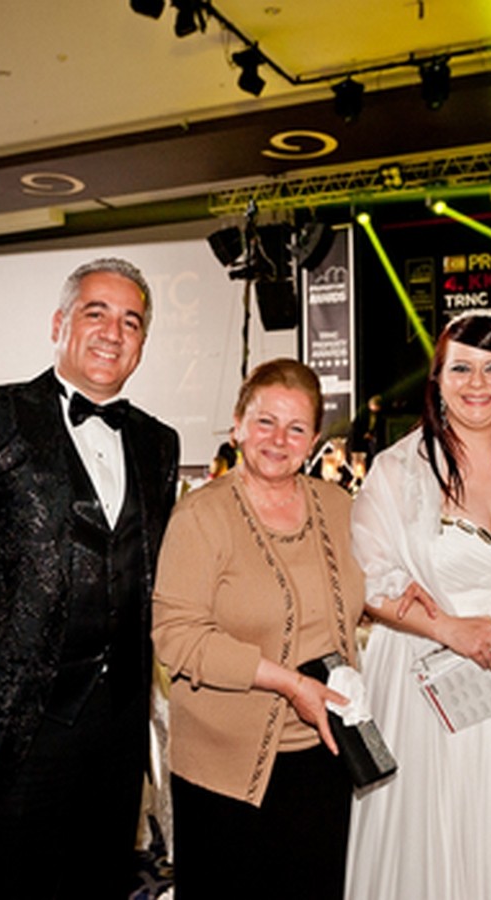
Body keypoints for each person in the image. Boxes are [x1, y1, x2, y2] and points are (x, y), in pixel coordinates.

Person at [0, 258, 180, 898]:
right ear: (58, 324)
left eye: (131, 321)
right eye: (96, 313)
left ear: (142, 343)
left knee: (99, 881)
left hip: (117, 723)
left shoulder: (159, 443)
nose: (113, 332)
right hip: (8, 722)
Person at [344, 310, 491, 900]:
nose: (477, 383)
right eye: (460, 368)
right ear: (437, 379)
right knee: (432, 835)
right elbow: (367, 579)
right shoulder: (398, 468)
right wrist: (450, 629)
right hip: (428, 679)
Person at [152, 358, 365, 899]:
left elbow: (368, 591)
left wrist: (428, 611)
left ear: (314, 440)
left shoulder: (338, 505)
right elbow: (177, 636)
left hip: (324, 754)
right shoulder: (201, 516)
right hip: (226, 767)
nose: (278, 440)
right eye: (265, 422)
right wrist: (289, 683)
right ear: (237, 425)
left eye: (296, 428)